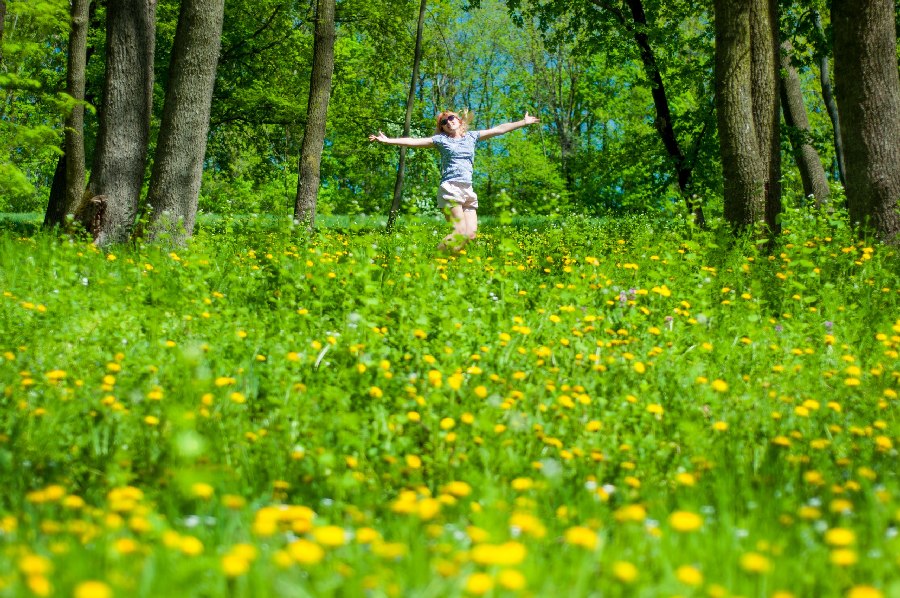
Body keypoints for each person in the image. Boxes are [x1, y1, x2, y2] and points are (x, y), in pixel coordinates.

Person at [369, 110, 540, 251]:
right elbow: (413, 141)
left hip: (467, 190)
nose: (448, 122)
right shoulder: (440, 141)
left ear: (458, 120)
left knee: (471, 235)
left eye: (451, 118)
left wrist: (523, 122)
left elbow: (499, 129)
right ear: (442, 128)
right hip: (451, 188)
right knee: (459, 232)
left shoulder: (472, 137)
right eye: (444, 122)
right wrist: (388, 140)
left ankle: (447, 264)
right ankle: (431, 262)